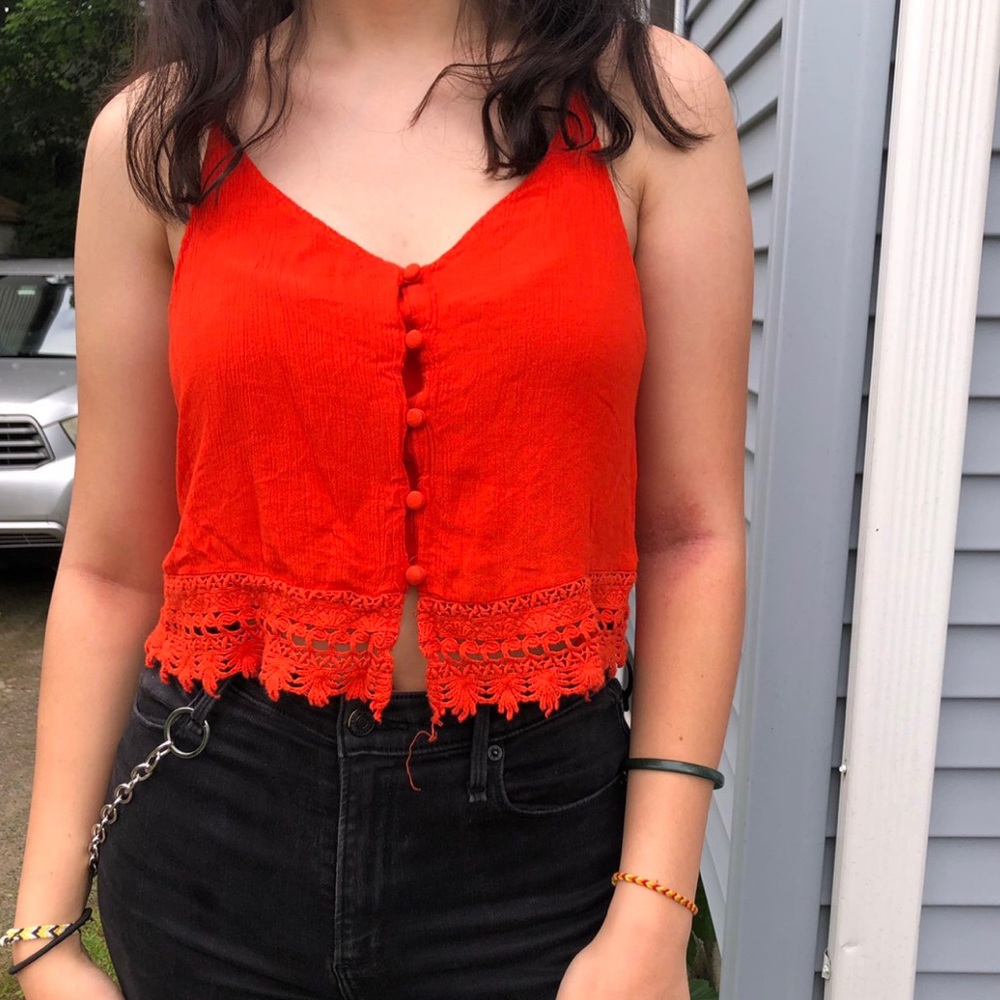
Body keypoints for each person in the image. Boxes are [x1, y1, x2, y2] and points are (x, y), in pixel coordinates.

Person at [4, 1, 753, 997]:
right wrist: (44, 932)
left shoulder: (645, 105)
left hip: (540, 844)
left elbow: (689, 537)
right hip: (214, 816)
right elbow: (108, 566)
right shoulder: (158, 136)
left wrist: (654, 908)